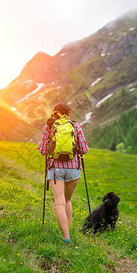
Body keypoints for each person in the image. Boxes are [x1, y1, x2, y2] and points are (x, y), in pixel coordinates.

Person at [38, 104, 89, 244]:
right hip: (73, 169)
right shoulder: (76, 126)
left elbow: (42, 151)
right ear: (69, 113)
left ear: (55, 113)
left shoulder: (48, 127)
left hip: (55, 170)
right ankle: (68, 232)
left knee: (59, 203)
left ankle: (66, 238)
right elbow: (84, 149)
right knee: (67, 200)